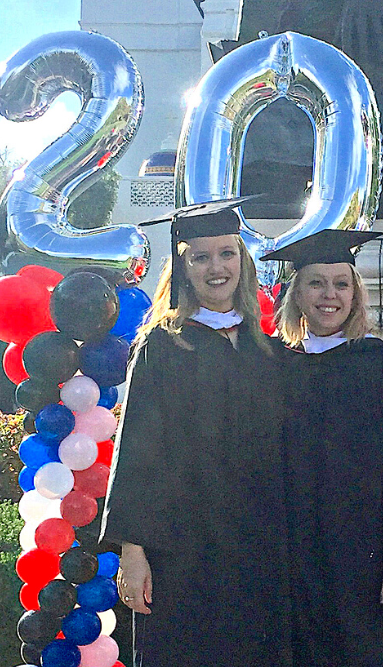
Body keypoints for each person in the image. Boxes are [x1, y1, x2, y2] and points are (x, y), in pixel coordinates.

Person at [100, 200, 294, 667]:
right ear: (183, 267)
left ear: (242, 262)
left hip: (259, 548)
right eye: (200, 256)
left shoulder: (265, 348)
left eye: (227, 253)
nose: (216, 267)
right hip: (183, 551)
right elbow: (137, 454)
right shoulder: (163, 345)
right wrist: (133, 551)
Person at [262, 229, 383, 667]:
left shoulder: (382, 365)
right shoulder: (271, 366)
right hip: (293, 565)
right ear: (296, 294)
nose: (330, 295)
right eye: (316, 283)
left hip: (370, 567)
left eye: (341, 284)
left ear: (355, 294)